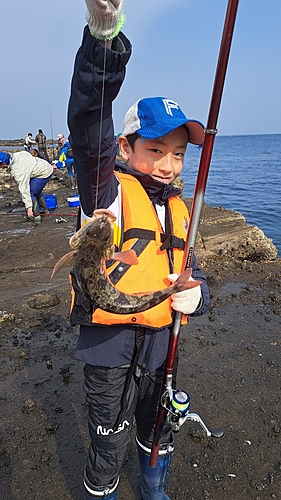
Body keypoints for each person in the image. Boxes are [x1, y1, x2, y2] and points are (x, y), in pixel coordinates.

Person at [67, 1, 210, 499]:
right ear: (125, 149)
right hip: (109, 346)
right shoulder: (105, 194)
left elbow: (189, 271)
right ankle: (103, 487)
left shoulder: (182, 211)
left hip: (162, 341)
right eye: (155, 149)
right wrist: (101, 43)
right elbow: (88, 131)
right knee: (108, 436)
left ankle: (153, 487)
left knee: (158, 428)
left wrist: (199, 294)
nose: (169, 165)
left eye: (178, 153)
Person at [0, 150, 53, 217]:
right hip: (43, 165)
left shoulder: (18, 171)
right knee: (36, 191)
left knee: (30, 192)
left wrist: (29, 207)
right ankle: (45, 211)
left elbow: (24, 189)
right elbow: (26, 153)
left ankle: (35, 215)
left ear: (4, 164)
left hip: (44, 172)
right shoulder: (16, 155)